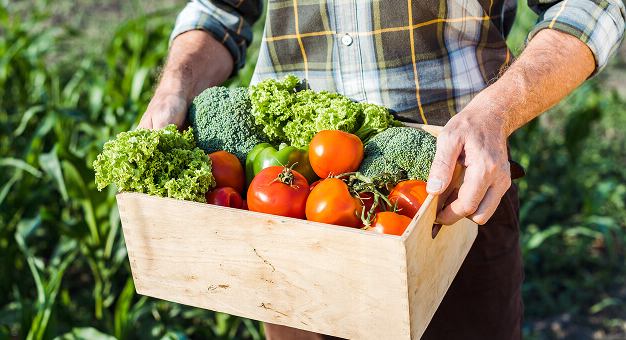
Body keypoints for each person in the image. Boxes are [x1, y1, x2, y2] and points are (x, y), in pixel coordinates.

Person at [139, 0, 625, 338]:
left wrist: (496, 110)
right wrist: (173, 88)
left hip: (452, 198)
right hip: (289, 217)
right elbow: (221, 10)